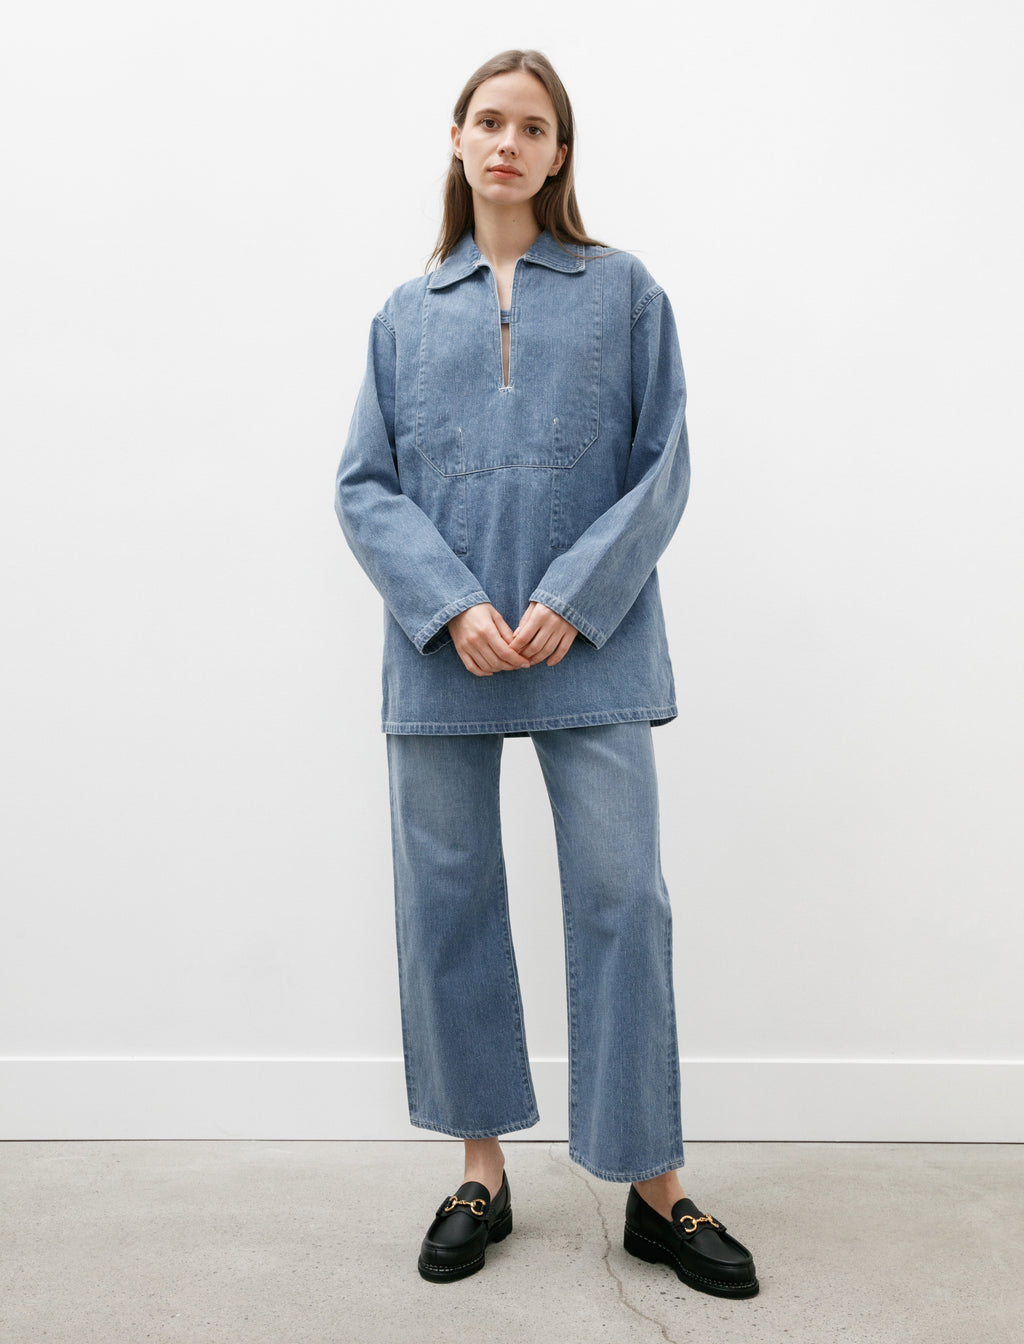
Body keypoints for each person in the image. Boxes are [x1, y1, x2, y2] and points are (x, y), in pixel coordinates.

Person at [334, 48, 758, 1298]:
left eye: (531, 127)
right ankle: (481, 1172)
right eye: (488, 121)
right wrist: (451, 605)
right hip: (443, 657)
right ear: (456, 140)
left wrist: (573, 596)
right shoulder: (405, 315)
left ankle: (654, 1187)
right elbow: (363, 485)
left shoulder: (624, 293)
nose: (507, 143)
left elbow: (663, 462)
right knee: (448, 903)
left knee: (626, 901)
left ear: (558, 152)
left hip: (596, 646)